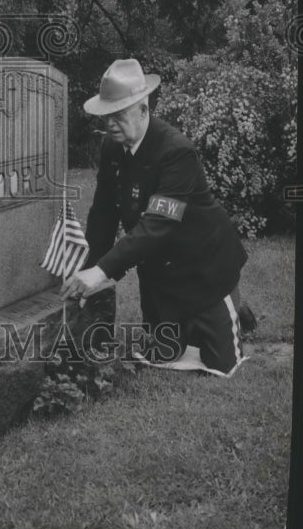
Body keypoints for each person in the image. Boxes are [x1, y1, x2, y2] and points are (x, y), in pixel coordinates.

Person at [61, 59, 248, 376]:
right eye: (107, 117)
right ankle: (184, 323)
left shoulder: (177, 151)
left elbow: (158, 224)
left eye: (119, 116)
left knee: (221, 364)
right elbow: (103, 213)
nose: (110, 125)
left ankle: (235, 311)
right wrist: (91, 266)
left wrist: (105, 269)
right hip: (161, 275)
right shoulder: (111, 148)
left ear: (143, 110)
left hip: (204, 269)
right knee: (163, 354)